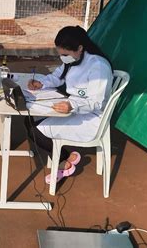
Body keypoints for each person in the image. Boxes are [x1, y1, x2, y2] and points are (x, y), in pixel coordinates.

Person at [26, 25, 113, 184]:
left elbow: (97, 102)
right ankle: (67, 157)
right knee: (29, 119)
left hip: (91, 118)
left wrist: (73, 106)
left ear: (80, 48)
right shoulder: (73, 59)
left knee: (35, 131)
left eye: (65, 54)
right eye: (60, 54)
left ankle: (65, 159)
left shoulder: (98, 66)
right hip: (73, 108)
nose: (63, 58)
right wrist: (41, 83)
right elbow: (57, 77)